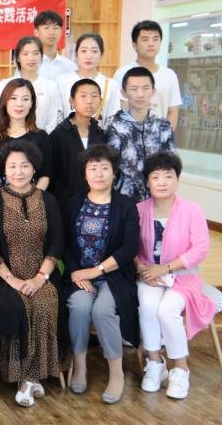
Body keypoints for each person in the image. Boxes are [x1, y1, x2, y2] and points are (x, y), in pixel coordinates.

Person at [0, 140, 67, 407]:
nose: (18, 171)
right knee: (20, 305)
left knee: (44, 301)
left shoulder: (48, 200)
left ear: (34, 168)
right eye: (12, 166)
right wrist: (13, 280)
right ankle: (27, 378)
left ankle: (32, 376)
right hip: (3, 277)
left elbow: (57, 242)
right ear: (5, 169)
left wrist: (40, 277)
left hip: (42, 274)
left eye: (24, 166)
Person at [63, 145, 140, 404]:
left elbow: (130, 248)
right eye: (92, 168)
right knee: (80, 307)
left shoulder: (126, 206)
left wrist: (96, 270)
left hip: (114, 276)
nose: (98, 174)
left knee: (102, 311)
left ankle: (117, 374)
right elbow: (66, 244)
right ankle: (80, 367)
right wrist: (77, 273)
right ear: (85, 174)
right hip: (80, 276)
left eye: (104, 168)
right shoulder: (74, 203)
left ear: (114, 173)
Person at [135, 152, 214, 400]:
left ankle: (180, 369)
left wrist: (165, 268)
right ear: (147, 182)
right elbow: (129, 247)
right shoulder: (139, 210)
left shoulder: (192, 210)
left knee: (167, 310)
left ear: (177, 180)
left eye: (168, 176)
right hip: (148, 274)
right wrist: (143, 269)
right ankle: (155, 364)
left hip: (183, 276)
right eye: (155, 177)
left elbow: (200, 249)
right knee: (148, 307)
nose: (162, 182)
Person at [107, 67, 175, 203]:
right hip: (124, 201)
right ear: (123, 92)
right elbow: (109, 168)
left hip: (157, 200)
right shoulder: (114, 126)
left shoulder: (163, 126)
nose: (140, 94)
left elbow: (171, 165)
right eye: (134, 89)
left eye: (145, 88)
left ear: (153, 91)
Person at [49, 78, 107, 208]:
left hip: (97, 204)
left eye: (94, 96)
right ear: (72, 101)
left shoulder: (101, 135)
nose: (89, 101)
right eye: (83, 96)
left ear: (100, 101)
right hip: (65, 204)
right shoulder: (58, 135)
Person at [113, 20, 181, 129]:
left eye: (155, 39)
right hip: (129, 135)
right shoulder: (122, 73)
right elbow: (121, 109)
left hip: (160, 136)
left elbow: (173, 112)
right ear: (134, 45)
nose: (151, 43)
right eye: (145, 39)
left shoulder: (170, 75)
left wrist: (165, 136)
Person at [0, 78, 52, 190]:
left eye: (25, 99)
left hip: (34, 198)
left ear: (32, 103)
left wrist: (33, 198)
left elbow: (46, 175)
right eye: (13, 98)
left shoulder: (42, 137)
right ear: (5, 102)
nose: (19, 104)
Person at [56, 33, 121, 129]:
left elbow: (113, 121)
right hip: (67, 136)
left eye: (94, 51)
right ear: (76, 54)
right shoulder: (62, 81)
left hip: (98, 137)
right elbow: (58, 117)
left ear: (101, 54)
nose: (89, 56)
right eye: (84, 51)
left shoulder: (111, 85)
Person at [8, 36, 65, 133]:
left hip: (42, 138)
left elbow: (53, 120)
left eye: (35, 53)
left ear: (41, 57)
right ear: (17, 57)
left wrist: (41, 137)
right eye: (25, 54)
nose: (31, 58)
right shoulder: (6, 84)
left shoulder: (51, 86)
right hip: (12, 138)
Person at [32, 10, 77, 81]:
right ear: (36, 32)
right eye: (46, 28)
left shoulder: (70, 66)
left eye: (55, 28)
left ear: (61, 32)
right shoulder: (29, 64)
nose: (51, 32)